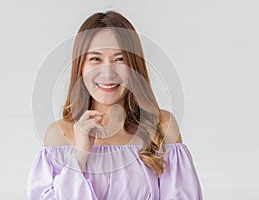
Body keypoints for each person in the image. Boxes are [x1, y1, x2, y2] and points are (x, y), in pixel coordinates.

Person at [27, 10, 203, 200]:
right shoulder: (57, 136)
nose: (108, 73)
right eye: (95, 59)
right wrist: (80, 156)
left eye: (120, 59)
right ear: (80, 67)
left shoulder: (162, 127)